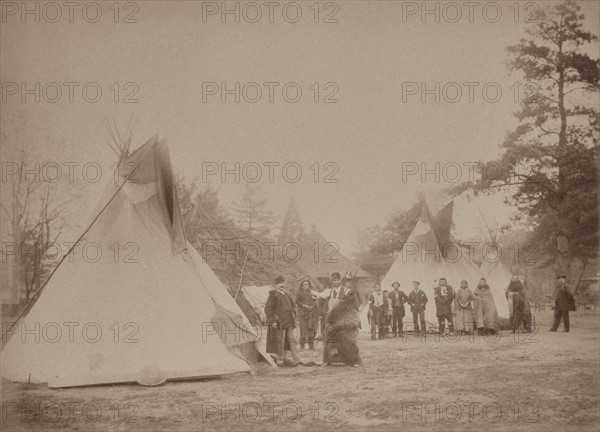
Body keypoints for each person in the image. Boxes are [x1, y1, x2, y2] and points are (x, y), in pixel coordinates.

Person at [323, 273, 363, 367]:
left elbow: (354, 301)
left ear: (340, 280)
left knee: (347, 339)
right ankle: (328, 360)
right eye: (334, 280)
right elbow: (321, 300)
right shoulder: (328, 292)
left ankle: (352, 361)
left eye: (338, 280)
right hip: (332, 317)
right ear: (331, 282)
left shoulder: (347, 290)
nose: (336, 281)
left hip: (344, 317)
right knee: (330, 338)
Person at [264, 276, 303, 366]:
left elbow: (293, 306)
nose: (282, 285)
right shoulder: (273, 295)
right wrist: (273, 320)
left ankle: (297, 360)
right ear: (275, 285)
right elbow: (268, 309)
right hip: (279, 322)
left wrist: (294, 313)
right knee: (279, 342)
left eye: (283, 283)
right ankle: (280, 361)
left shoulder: (287, 295)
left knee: (292, 341)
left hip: (289, 321)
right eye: (280, 283)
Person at [296, 279, 317, 349]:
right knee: (303, 329)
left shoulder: (312, 292)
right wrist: (304, 306)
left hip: (310, 313)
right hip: (302, 313)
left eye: (307, 284)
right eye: (304, 284)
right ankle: (302, 346)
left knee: (311, 329)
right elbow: (297, 301)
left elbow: (315, 301)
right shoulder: (299, 293)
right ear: (302, 285)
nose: (306, 285)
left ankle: (311, 346)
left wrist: (312, 306)